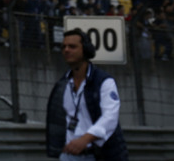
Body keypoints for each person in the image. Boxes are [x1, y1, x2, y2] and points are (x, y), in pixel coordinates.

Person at [46, 28, 128, 160]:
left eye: (72, 46)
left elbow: (110, 117)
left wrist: (85, 139)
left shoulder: (103, 81)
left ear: (85, 49)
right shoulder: (62, 85)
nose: (66, 50)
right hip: (69, 155)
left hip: (100, 154)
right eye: (63, 47)